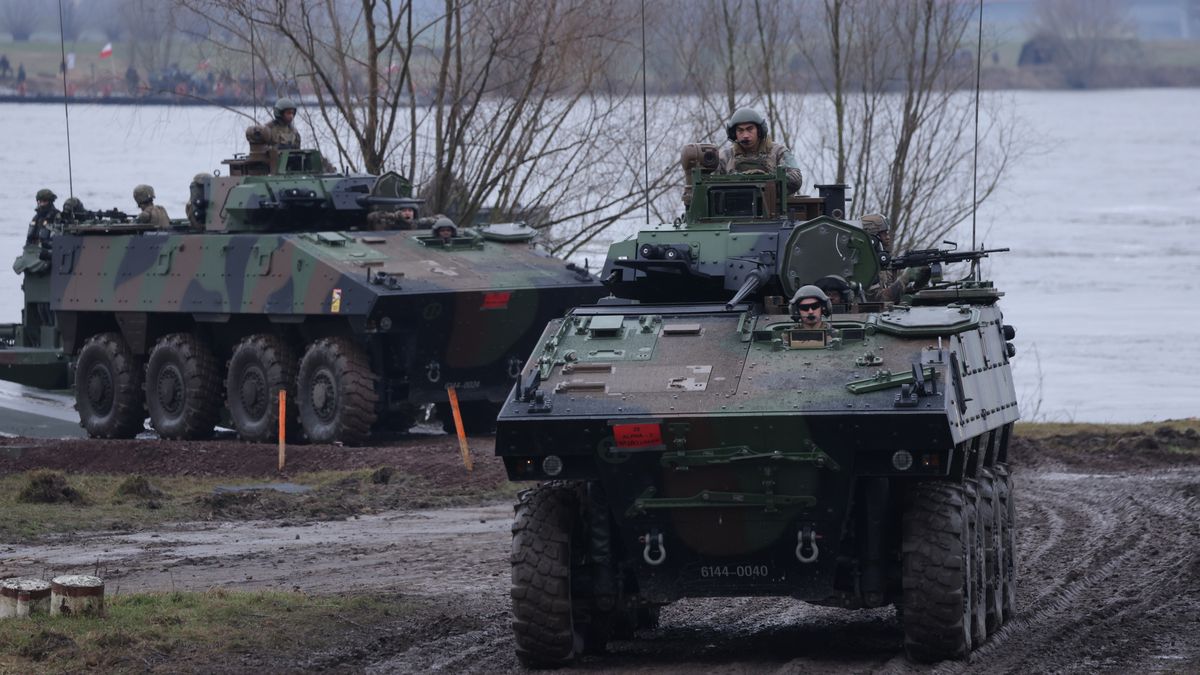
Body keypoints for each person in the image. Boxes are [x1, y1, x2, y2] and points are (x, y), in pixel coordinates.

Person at [718, 108, 803, 193]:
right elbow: (708, 181)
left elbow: (796, 180)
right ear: (734, 133)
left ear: (759, 130)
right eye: (740, 130)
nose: (745, 135)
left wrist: (768, 178)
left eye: (750, 129)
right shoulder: (726, 156)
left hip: (774, 204)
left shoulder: (778, 152)